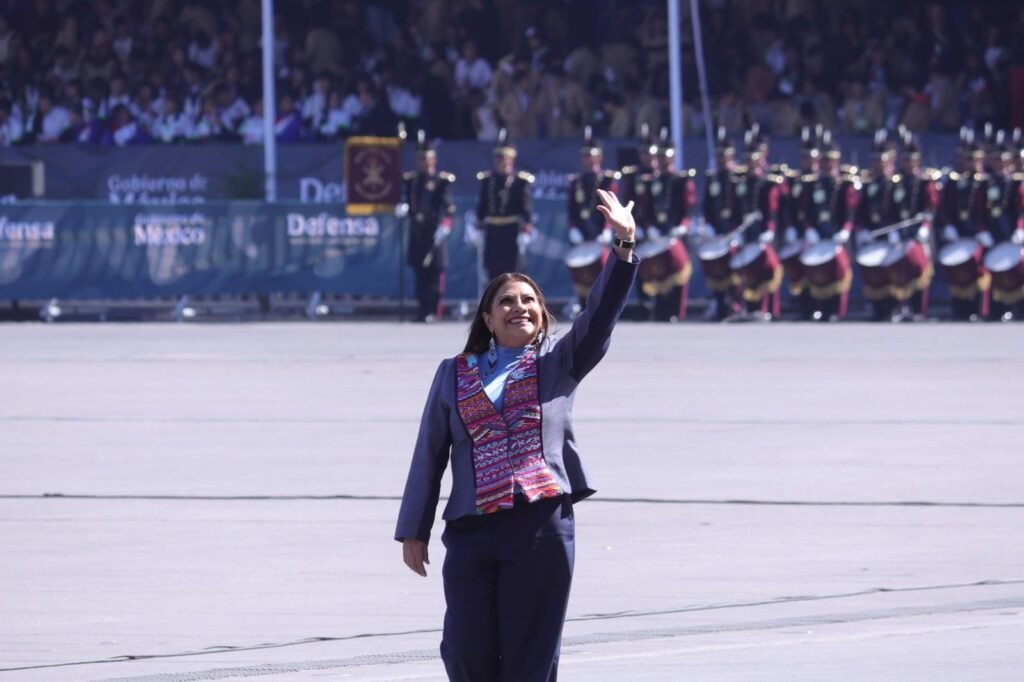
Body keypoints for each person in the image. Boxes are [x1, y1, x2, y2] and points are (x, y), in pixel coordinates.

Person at [395, 188, 638, 682]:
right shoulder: (453, 373)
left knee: (530, 659)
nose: (518, 307)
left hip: (539, 527)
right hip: (471, 529)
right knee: (465, 651)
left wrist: (623, 245)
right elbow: (429, 453)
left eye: (529, 300)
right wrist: (413, 529)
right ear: (487, 318)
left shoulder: (559, 364)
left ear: (543, 316)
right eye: (506, 301)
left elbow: (600, 315)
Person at [401, 130, 456, 322]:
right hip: (418, 231)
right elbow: (409, 203)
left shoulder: (441, 181)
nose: (423, 162)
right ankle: (421, 310)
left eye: (426, 158)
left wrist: (445, 226)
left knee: (434, 274)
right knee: (419, 273)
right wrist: (404, 209)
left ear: (433, 160)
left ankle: (433, 310)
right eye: (420, 159)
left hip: (434, 231)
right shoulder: (412, 180)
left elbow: (449, 208)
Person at [474, 128, 534, 281]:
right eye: (497, 157)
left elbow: (526, 209)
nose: (500, 160)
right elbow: (482, 207)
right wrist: (478, 227)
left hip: (512, 232)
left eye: (503, 156)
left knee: (513, 276)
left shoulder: (520, 181)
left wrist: (525, 231)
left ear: (511, 158)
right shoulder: (488, 180)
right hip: (493, 233)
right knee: (493, 276)